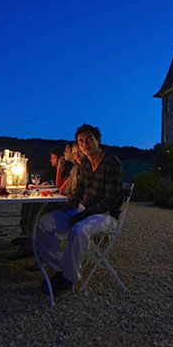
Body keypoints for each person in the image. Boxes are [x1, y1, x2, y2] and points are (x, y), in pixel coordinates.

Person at [36, 124, 123, 293]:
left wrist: (84, 214)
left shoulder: (111, 162)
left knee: (79, 230)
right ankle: (62, 268)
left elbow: (110, 200)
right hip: (84, 210)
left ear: (98, 140)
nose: (85, 144)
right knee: (42, 224)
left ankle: (68, 279)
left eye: (89, 139)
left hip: (104, 215)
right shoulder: (84, 163)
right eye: (81, 141)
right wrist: (70, 206)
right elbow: (79, 191)